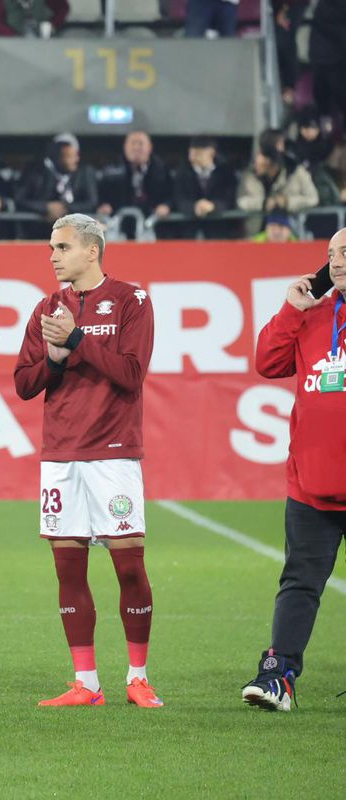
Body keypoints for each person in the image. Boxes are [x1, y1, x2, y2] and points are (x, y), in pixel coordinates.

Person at [13, 213, 162, 709]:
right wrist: (54, 359)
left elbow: (132, 373)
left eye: (61, 247)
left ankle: (137, 677)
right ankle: (87, 683)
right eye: (51, 248)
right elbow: (24, 383)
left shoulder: (131, 300)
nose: (53, 256)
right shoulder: (46, 307)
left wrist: (76, 341)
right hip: (61, 455)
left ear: (91, 251)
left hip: (114, 454)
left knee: (128, 569)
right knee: (68, 571)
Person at [242, 228, 346, 711]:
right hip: (311, 483)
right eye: (330, 255)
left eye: (343, 252)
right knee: (300, 582)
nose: (335, 261)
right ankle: (279, 676)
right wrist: (291, 309)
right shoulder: (312, 315)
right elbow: (267, 361)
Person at [15, 134, 98, 240]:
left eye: (76, 155)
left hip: (74, 235)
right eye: (69, 156)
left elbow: (91, 202)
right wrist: (46, 207)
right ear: (57, 157)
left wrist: (65, 208)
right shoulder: (36, 173)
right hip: (38, 233)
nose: (75, 160)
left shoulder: (84, 173)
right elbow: (20, 200)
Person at [97, 131, 172, 240]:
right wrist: (103, 205)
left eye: (140, 143)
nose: (136, 148)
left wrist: (166, 205)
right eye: (132, 143)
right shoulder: (111, 169)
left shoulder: (162, 170)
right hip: (119, 227)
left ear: (150, 147)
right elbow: (100, 194)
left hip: (153, 226)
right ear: (125, 147)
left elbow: (171, 194)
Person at [165, 136, 240, 240]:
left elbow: (230, 197)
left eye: (198, 154)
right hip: (188, 233)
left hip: (219, 232)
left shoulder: (226, 173)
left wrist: (213, 206)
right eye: (191, 154)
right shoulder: (182, 172)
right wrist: (194, 207)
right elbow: (178, 198)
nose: (194, 158)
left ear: (211, 152)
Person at [237, 142, 318, 237]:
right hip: (256, 233)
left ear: (270, 163)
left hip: (291, 233)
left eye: (260, 163)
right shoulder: (250, 176)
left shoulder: (296, 172)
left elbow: (313, 199)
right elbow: (241, 201)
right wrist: (263, 203)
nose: (255, 165)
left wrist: (287, 202)